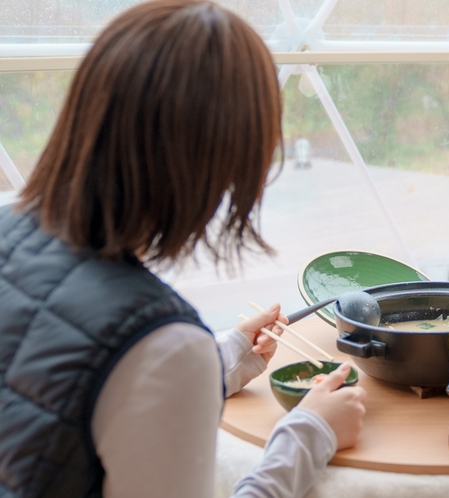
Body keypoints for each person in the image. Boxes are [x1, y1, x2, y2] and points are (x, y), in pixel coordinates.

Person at [0, 1, 365, 497]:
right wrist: (309, 434)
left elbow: (65, 383)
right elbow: (136, 368)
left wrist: (222, 357)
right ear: (215, 158)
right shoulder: (164, 346)